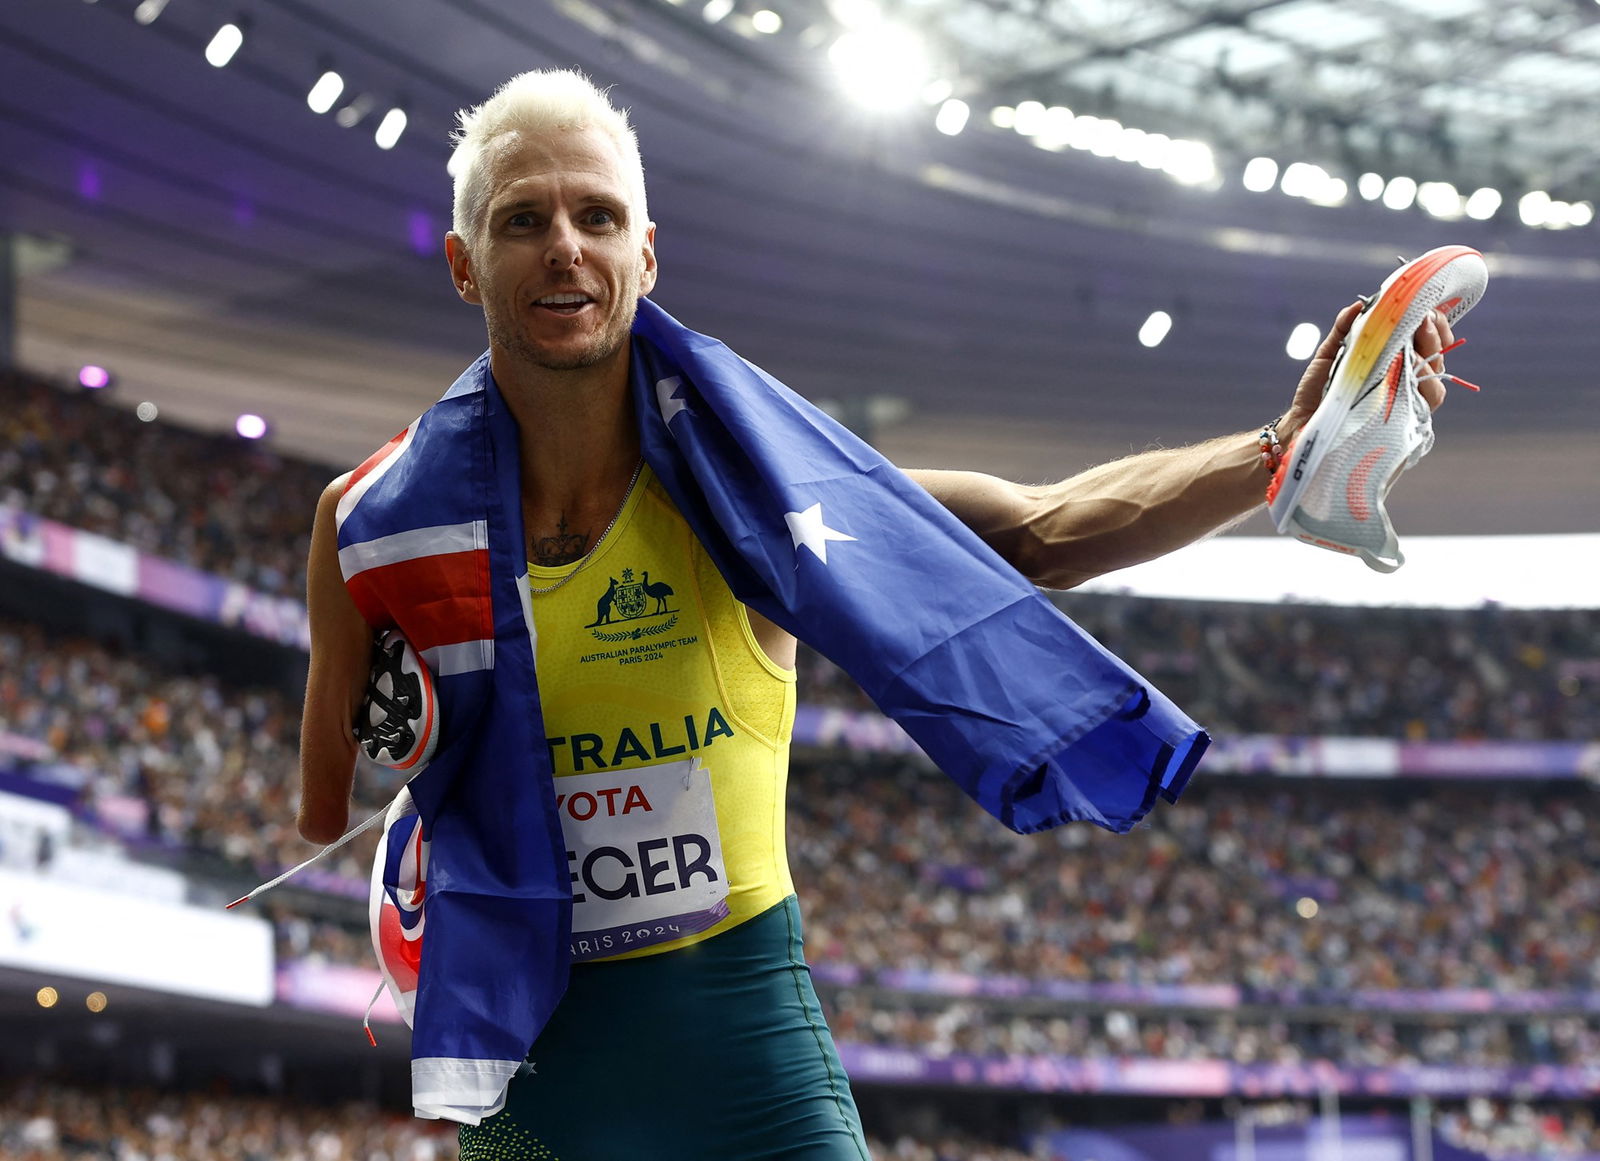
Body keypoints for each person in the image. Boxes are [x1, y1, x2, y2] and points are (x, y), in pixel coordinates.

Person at [296, 69, 1457, 1159]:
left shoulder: (751, 495)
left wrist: (1273, 453)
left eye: (597, 218)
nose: (565, 247)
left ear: (645, 257)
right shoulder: (370, 525)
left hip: (745, 1064)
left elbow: (1042, 529)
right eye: (522, 220)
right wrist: (425, 815)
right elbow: (322, 803)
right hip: (527, 1089)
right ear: (462, 263)